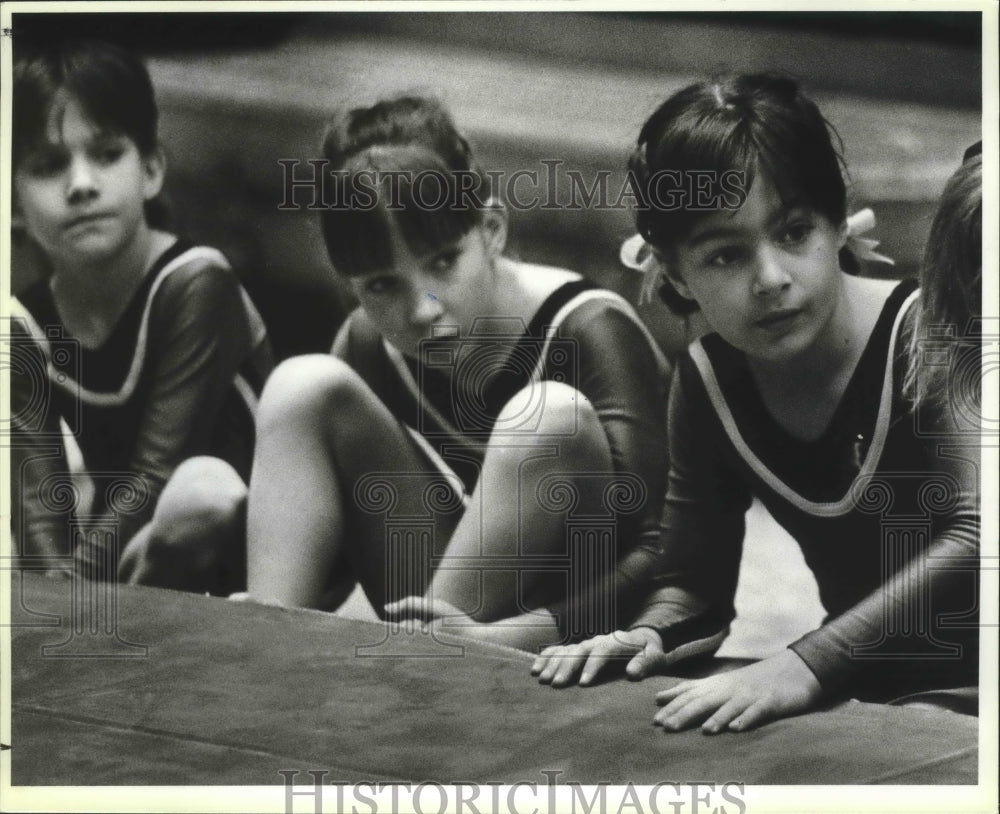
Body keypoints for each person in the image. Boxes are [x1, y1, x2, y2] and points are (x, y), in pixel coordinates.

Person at [531, 74, 980, 730]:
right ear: (673, 268)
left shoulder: (932, 331)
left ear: (838, 221)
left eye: (795, 232)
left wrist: (804, 664)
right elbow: (694, 583)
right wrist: (650, 636)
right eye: (725, 256)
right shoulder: (709, 381)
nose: (770, 278)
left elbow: (978, 534)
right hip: (870, 692)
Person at [242, 96, 671, 649]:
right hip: (448, 613)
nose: (421, 308)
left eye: (443, 262)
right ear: (350, 282)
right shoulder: (368, 342)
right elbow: (332, 557)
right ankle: (262, 652)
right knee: (300, 385)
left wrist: (507, 637)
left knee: (544, 419)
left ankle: (423, 661)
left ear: (491, 229)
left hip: (572, 629)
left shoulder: (590, 329)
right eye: (381, 284)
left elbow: (664, 561)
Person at [10, 39, 273, 592]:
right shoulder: (23, 326)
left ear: (151, 170)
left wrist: (69, 600)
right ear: (12, 206)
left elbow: (154, 479)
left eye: (106, 154)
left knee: (201, 493)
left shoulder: (198, 281)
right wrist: (51, 604)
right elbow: (39, 507)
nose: (81, 184)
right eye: (49, 165)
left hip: (248, 557)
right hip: (130, 570)